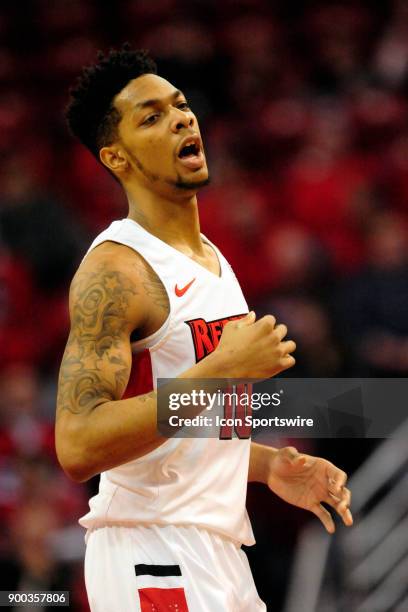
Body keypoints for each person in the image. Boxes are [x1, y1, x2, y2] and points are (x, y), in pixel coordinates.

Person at [56, 44, 353, 612]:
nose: (182, 118)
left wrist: (267, 466)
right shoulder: (118, 270)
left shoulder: (211, 257)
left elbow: (189, 430)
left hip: (216, 548)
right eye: (152, 117)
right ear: (116, 158)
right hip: (152, 547)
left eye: (180, 106)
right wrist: (223, 370)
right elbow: (77, 444)